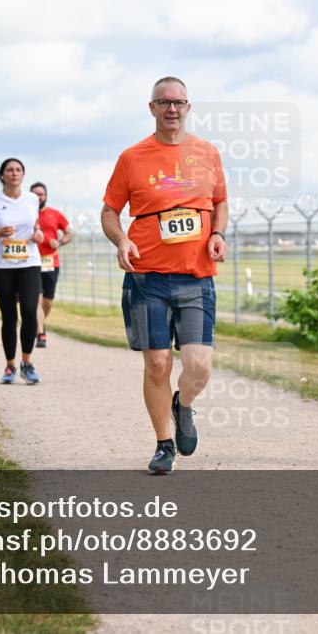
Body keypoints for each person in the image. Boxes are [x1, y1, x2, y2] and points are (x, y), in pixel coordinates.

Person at [101, 76, 228, 475]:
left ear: (188, 107)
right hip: (147, 278)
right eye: (164, 102)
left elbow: (221, 200)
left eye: (179, 102)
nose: (172, 109)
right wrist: (121, 239)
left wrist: (219, 233)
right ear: (152, 107)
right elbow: (109, 211)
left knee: (199, 365)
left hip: (196, 277)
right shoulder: (132, 157)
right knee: (157, 363)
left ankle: (183, 405)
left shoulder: (207, 152)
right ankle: (162, 444)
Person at [0, 158, 44, 384]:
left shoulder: (32, 199)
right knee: (9, 317)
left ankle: (27, 362)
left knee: (29, 311)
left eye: (18, 170)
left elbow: (37, 230)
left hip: (29, 262)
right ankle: (10, 366)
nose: (14, 173)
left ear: (23, 175)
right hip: (2, 266)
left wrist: (39, 236)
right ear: (2, 175)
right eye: (9, 170)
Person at [29, 181, 73, 348]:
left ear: (45, 196)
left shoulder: (55, 213)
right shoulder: (26, 213)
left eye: (41, 194)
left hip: (51, 262)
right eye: (35, 194)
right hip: (31, 263)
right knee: (36, 300)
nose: (38, 197)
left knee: (47, 302)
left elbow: (69, 232)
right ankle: (41, 334)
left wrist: (60, 242)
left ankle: (38, 324)